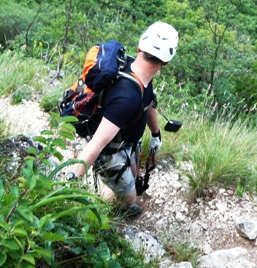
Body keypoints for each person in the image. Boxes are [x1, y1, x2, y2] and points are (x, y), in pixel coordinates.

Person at [65, 22, 178, 218]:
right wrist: (68, 184)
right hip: (110, 152)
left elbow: (148, 101)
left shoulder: (139, 71)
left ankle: (124, 192)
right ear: (167, 61)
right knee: (131, 199)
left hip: (127, 142)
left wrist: (155, 133)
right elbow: (96, 145)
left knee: (135, 176)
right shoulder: (126, 98)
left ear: (140, 48)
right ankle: (120, 209)